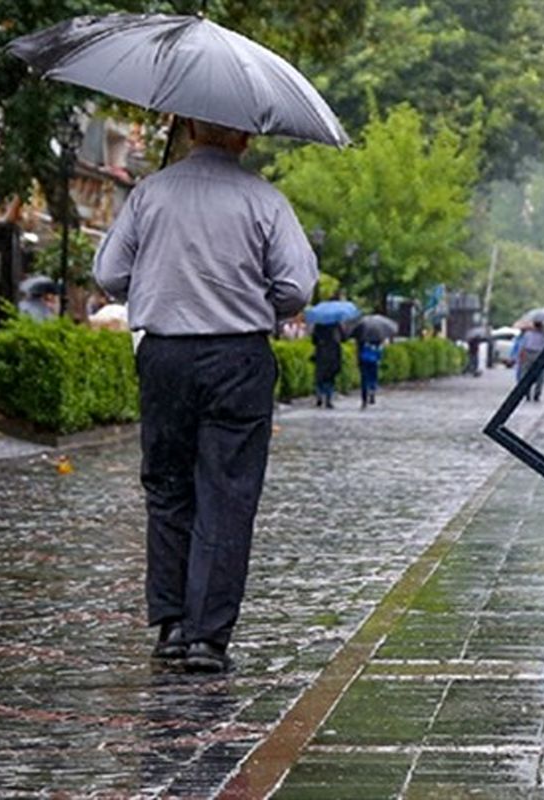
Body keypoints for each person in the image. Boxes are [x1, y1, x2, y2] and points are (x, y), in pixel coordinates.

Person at [94, 117, 317, 673]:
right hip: (238, 356)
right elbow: (296, 286)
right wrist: (252, 301)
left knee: (168, 486)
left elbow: (109, 271)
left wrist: (159, 280)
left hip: (166, 355)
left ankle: (170, 625)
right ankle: (207, 638)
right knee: (228, 492)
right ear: (245, 136)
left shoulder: (150, 193)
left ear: (190, 128)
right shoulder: (264, 201)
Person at [515, 320, 544, 402]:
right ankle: (535, 394)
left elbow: (523, 346)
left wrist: (521, 355)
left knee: (527, 374)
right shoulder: (543, 335)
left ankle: (528, 393)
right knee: (539, 376)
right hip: (538, 354)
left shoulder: (530, 334)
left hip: (530, 353)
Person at [351, 322, 384, 409]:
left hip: (363, 359)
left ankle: (364, 398)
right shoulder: (378, 335)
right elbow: (380, 348)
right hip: (374, 360)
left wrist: (357, 359)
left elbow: (358, 349)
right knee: (373, 377)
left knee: (364, 379)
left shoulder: (361, 336)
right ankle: (372, 390)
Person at [312, 320, 342, 408]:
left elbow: (313, 340)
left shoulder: (318, 324)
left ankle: (319, 396)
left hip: (321, 352)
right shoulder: (336, 325)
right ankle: (328, 399)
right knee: (330, 378)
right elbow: (343, 337)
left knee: (320, 377)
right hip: (333, 353)